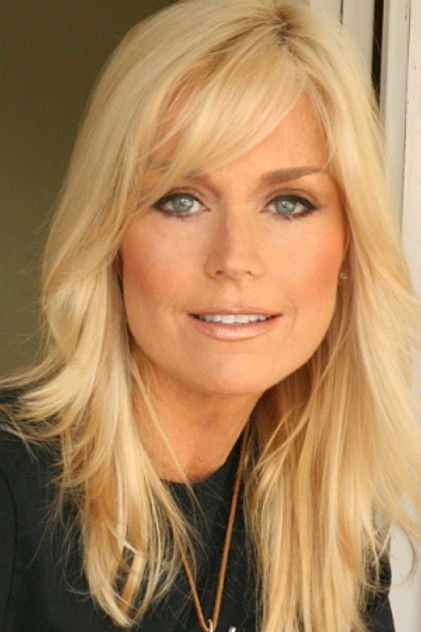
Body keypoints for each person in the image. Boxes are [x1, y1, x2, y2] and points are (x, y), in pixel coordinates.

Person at [0, 0, 420, 630]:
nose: (234, 259)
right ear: (110, 238)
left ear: (349, 247)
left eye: (288, 203)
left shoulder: (327, 525)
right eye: (181, 200)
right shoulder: (11, 491)